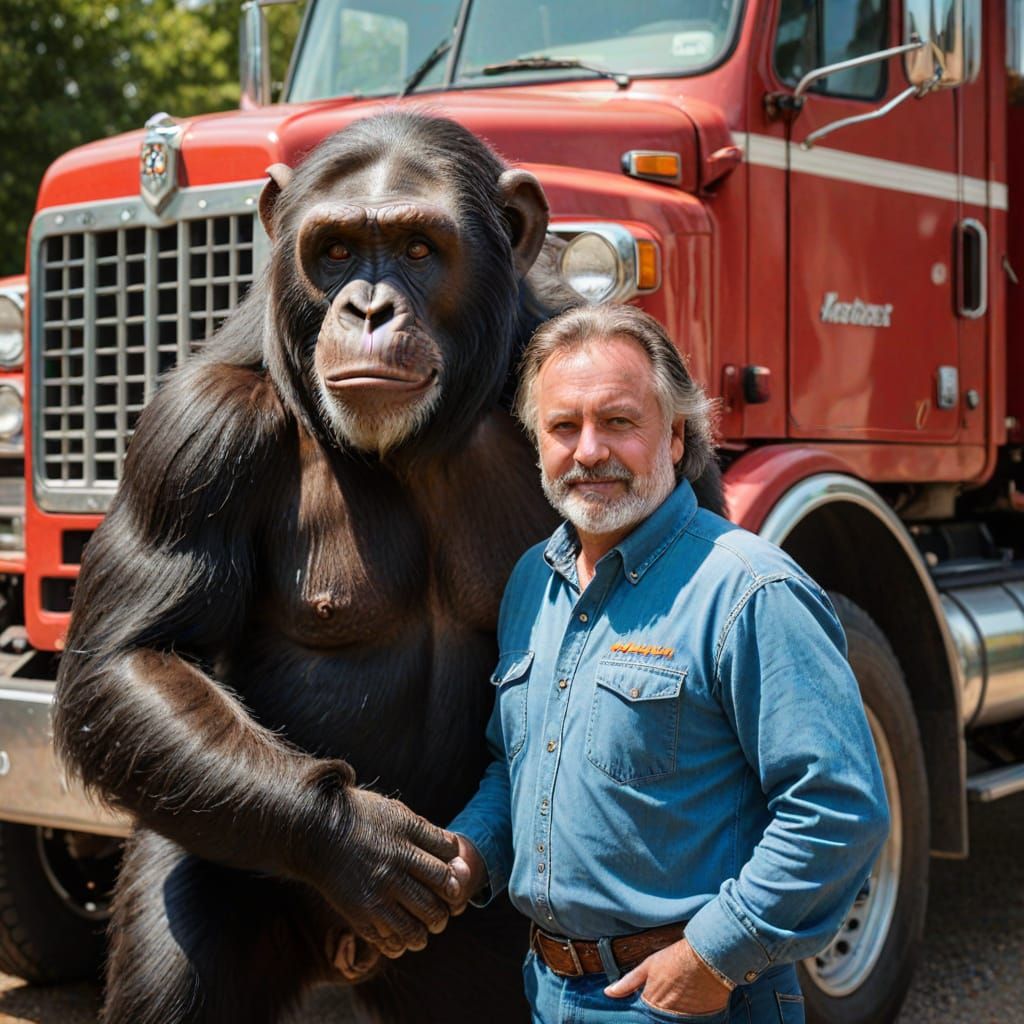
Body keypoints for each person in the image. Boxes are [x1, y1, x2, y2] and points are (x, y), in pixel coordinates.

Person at [445, 303, 890, 1022]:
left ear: (676, 435)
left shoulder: (748, 591)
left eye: (618, 421)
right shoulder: (533, 580)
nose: (589, 451)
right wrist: (471, 852)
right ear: (536, 443)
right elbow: (517, 764)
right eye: (563, 427)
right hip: (547, 990)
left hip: (690, 998)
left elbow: (838, 807)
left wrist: (717, 955)